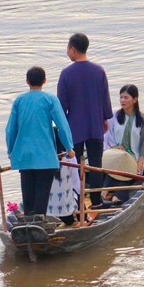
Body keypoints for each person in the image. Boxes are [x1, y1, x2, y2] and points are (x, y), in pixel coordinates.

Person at [6, 66, 75, 218]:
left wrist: (11, 150)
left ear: (27, 81)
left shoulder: (19, 100)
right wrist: (69, 148)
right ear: (44, 81)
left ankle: (29, 220)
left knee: (28, 192)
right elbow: (62, 125)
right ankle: (39, 220)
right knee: (42, 192)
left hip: (24, 156)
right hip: (45, 156)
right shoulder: (50, 99)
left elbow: (11, 129)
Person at [57, 33, 113, 209]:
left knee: (74, 166)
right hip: (95, 125)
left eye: (68, 48)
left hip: (75, 128)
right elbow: (105, 99)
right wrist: (105, 119)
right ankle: (96, 201)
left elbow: (61, 106)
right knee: (96, 164)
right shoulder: (99, 70)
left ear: (73, 49)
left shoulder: (66, 74)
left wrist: (62, 128)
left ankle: (77, 203)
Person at [102, 84, 144, 204]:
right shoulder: (114, 115)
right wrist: (114, 147)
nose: (122, 100)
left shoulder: (142, 119)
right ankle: (106, 193)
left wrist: (140, 161)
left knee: (125, 171)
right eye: (121, 97)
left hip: (133, 157)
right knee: (114, 166)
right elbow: (107, 135)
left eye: (126, 97)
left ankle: (115, 196)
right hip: (115, 155)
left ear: (135, 99)